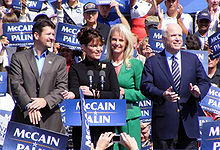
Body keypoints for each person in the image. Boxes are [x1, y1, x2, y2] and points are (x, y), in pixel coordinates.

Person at [140, 23, 211, 149]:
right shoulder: (153, 61)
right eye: (173, 36)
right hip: (164, 128)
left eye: (180, 35)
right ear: (163, 39)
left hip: (188, 126)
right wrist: (162, 94)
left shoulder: (192, 59)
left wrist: (198, 91)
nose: (178, 39)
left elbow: (205, 82)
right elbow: (145, 86)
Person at [63, 26, 120, 149]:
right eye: (94, 46)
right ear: (83, 47)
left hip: (105, 124)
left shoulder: (108, 67)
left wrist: (94, 93)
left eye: (100, 45)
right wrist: (73, 94)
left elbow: (115, 94)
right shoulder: (76, 68)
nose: (98, 49)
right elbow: (74, 90)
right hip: (83, 126)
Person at [9, 20, 68, 134]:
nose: (52, 38)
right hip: (24, 118)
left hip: (50, 120)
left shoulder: (59, 61)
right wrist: (29, 105)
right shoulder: (18, 57)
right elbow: (16, 85)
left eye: (53, 34)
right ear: (36, 35)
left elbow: (62, 88)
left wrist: (45, 101)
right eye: (48, 34)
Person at [106, 23, 146, 150]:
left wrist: (125, 92)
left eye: (121, 40)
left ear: (127, 43)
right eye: (114, 39)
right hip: (109, 117)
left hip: (129, 117)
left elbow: (143, 93)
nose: (117, 43)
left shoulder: (135, 64)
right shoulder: (104, 64)